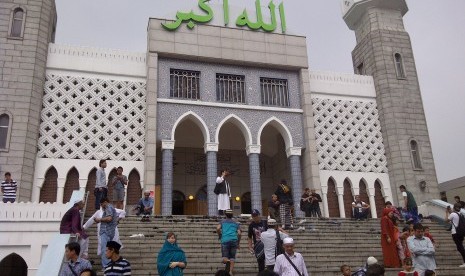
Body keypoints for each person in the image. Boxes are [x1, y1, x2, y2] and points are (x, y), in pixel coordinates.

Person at [94, 197, 118, 268]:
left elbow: (109, 218)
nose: (101, 206)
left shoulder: (108, 207)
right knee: (108, 249)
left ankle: (106, 266)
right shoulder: (111, 207)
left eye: (101, 204)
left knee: (104, 249)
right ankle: (109, 265)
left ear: (105, 202)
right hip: (110, 232)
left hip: (106, 231)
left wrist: (99, 219)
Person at [216, 209, 241, 275]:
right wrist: (238, 243)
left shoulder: (222, 222)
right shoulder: (235, 223)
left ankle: (228, 261)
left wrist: (220, 235)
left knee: (224, 259)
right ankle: (230, 271)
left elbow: (218, 228)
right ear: (232, 215)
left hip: (225, 240)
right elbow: (239, 233)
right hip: (234, 240)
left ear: (225, 215)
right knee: (232, 257)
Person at [446, 202, 465, 267]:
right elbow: (454, 217)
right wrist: (450, 212)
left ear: (455, 207)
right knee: (460, 247)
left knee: (460, 248)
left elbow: (446, 220)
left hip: (455, 233)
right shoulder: (461, 214)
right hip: (461, 233)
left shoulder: (453, 214)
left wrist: (446, 213)